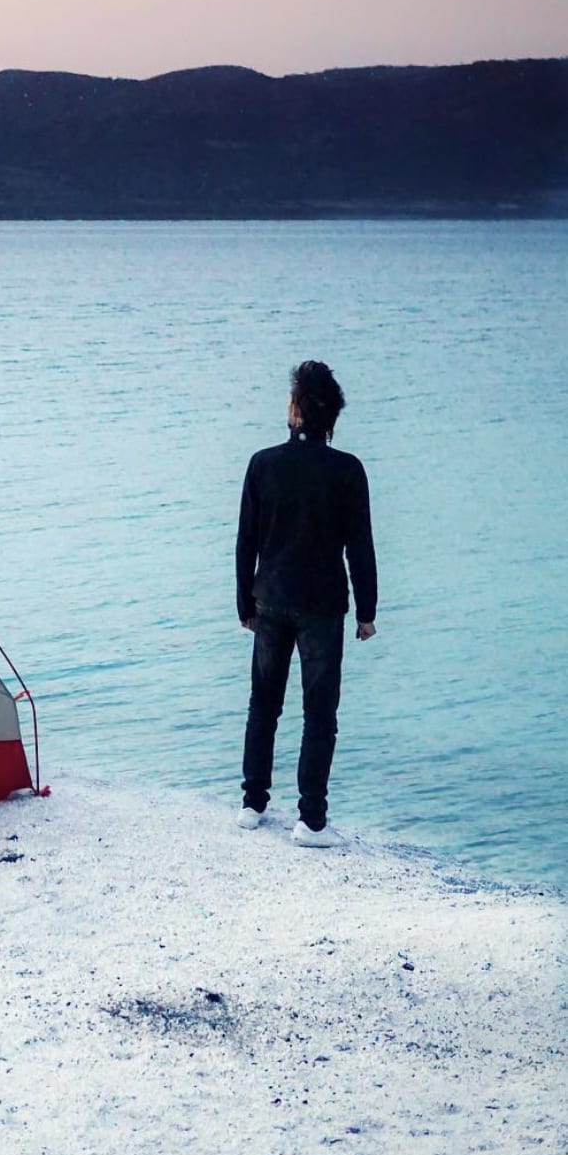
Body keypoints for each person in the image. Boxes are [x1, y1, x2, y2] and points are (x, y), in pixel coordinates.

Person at [234, 360, 377, 847]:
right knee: (319, 713)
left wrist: (244, 603)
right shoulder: (347, 471)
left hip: (270, 601)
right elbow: (360, 545)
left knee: (263, 704)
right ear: (332, 416)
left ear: (295, 410)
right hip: (322, 606)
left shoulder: (263, 463)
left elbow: (246, 541)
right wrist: (367, 611)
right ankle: (310, 820)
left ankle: (252, 804)